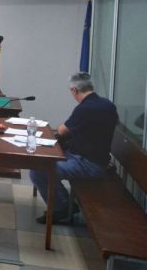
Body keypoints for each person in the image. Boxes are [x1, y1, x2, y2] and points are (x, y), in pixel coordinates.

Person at [30, 72, 118, 224]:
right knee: (46, 160)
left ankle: (62, 208)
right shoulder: (108, 105)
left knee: (39, 170)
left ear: (74, 90)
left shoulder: (85, 108)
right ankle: (63, 204)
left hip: (88, 164)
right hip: (96, 159)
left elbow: (62, 130)